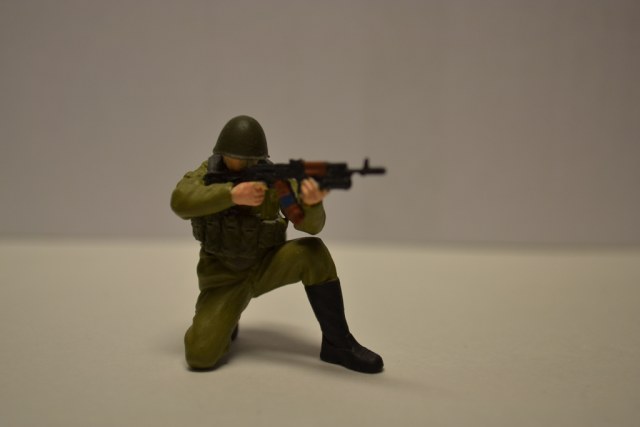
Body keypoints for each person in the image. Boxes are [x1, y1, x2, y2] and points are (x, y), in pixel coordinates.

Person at [170, 115, 383, 373]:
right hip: (224, 277)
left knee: (312, 253)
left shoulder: (276, 182)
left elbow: (310, 226)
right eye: (236, 158)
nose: (244, 164)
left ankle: (338, 344)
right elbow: (180, 201)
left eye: (251, 160)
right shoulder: (206, 174)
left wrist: (312, 203)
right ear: (222, 154)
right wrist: (231, 195)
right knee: (200, 356)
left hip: (265, 266)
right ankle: (227, 317)